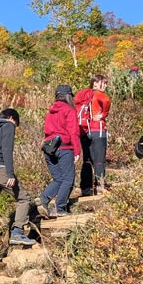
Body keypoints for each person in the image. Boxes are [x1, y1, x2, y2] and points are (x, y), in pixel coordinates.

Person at [0, 108, 37, 262]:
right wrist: (10, 173)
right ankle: (17, 232)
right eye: (16, 123)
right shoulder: (8, 125)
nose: (15, 127)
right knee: (24, 198)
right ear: (12, 118)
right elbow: (7, 150)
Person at [38, 85, 82, 218]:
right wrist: (77, 151)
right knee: (68, 179)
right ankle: (60, 207)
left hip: (49, 148)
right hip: (64, 147)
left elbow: (47, 132)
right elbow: (74, 132)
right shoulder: (69, 110)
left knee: (58, 178)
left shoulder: (50, 111)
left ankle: (43, 199)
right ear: (68, 96)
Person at [76, 75, 111, 196]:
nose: (105, 86)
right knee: (99, 159)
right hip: (98, 129)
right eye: (103, 83)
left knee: (87, 159)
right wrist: (103, 115)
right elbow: (106, 101)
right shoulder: (98, 94)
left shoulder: (85, 95)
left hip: (84, 130)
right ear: (95, 83)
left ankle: (86, 187)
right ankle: (100, 186)